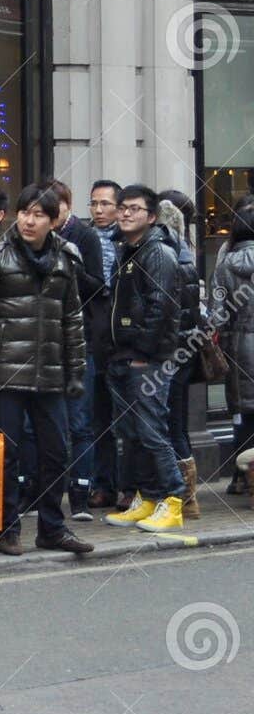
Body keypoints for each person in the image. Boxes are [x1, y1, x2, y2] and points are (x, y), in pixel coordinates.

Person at [0, 184, 93, 557]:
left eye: (39, 215)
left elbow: (72, 320)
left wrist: (76, 371)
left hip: (50, 373)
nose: (30, 221)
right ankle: (8, 527)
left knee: (56, 452)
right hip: (3, 371)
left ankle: (52, 527)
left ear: (54, 221)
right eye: (25, 212)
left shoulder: (66, 258)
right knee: (8, 453)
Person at [102, 185, 188, 532]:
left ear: (151, 217)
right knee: (131, 433)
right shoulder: (128, 250)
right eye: (122, 207)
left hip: (148, 359)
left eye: (134, 209)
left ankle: (174, 500)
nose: (125, 213)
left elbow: (162, 307)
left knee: (152, 431)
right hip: (122, 356)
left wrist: (142, 353)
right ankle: (148, 498)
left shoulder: (158, 253)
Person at [48, 178, 105, 519]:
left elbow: (98, 285)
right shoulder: (35, 238)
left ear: (67, 206)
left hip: (79, 339)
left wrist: (71, 267)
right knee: (39, 424)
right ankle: (41, 493)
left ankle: (81, 493)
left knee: (80, 421)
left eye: (54, 210)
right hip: (45, 341)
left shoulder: (84, 237)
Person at [157, 191, 202, 519]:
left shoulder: (171, 259)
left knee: (169, 425)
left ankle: (182, 497)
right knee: (177, 425)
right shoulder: (186, 254)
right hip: (182, 352)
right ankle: (186, 498)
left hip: (170, 354)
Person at [210, 197, 254, 503]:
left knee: (242, 414)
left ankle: (243, 478)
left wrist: (223, 344)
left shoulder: (225, 264)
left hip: (240, 348)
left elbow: (218, 314)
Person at [85, 179, 124, 508]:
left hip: (124, 339)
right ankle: (103, 484)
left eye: (105, 204)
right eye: (94, 203)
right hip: (95, 336)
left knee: (125, 418)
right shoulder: (86, 239)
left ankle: (128, 485)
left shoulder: (128, 240)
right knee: (98, 417)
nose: (98, 210)